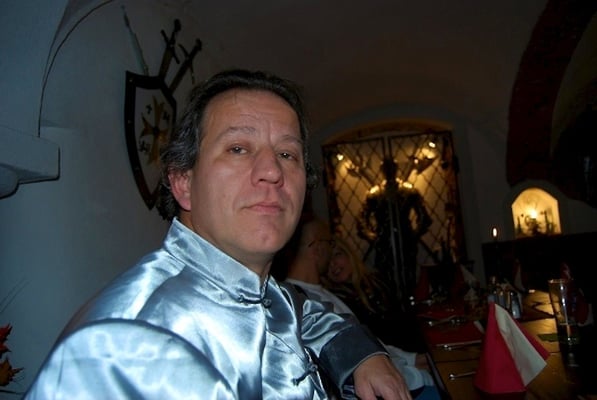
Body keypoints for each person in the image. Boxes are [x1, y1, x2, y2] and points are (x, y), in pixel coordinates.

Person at [24, 69, 412, 399]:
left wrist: (360, 354)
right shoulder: (129, 347)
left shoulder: (257, 288)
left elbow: (299, 313)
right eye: (238, 148)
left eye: (287, 154)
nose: (272, 171)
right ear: (183, 182)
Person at [276, 214, 438, 399]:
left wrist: (412, 359)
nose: (331, 252)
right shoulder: (302, 304)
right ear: (318, 247)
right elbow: (350, 365)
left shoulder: (322, 293)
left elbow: (369, 343)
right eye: (329, 243)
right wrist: (419, 374)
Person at [324, 236, 427, 353]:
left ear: (348, 254)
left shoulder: (377, 282)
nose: (333, 264)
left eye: (337, 255)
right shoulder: (336, 301)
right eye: (327, 261)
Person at [357, 157, 432, 304]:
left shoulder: (408, 190)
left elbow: (424, 217)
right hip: (384, 241)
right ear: (382, 170)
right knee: (385, 277)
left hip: (405, 238)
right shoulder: (375, 193)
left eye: (391, 167)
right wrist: (372, 236)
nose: (389, 170)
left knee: (409, 275)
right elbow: (361, 220)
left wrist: (414, 235)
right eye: (386, 167)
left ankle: (410, 301)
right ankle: (389, 304)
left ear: (396, 168)